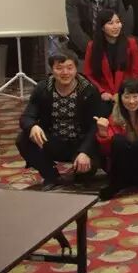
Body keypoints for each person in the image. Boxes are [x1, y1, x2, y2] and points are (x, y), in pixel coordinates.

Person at [17, 51, 102, 190]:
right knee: (23, 139)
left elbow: (95, 126)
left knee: (84, 175)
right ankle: (51, 176)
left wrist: (85, 151)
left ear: (76, 69)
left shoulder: (89, 90)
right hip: (54, 140)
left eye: (69, 68)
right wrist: (32, 126)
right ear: (52, 70)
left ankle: (82, 173)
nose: (65, 72)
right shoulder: (43, 88)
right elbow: (27, 116)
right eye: (59, 68)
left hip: (80, 142)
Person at [94, 78, 138, 200]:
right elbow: (108, 151)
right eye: (127, 97)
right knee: (118, 141)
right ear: (120, 98)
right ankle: (118, 183)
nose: (131, 101)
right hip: (124, 166)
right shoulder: (115, 116)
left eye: (135, 96)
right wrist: (103, 133)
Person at [83, 9, 138, 114]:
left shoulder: (131, 43)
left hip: (126, 93)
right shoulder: (92, 46)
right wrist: (101, 92)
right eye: (110, 23)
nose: (116, 26)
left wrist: (122, 92)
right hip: (103, 95)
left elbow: (136, 72)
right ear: (102, 27)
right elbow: (88, 74)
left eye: (118, 22)